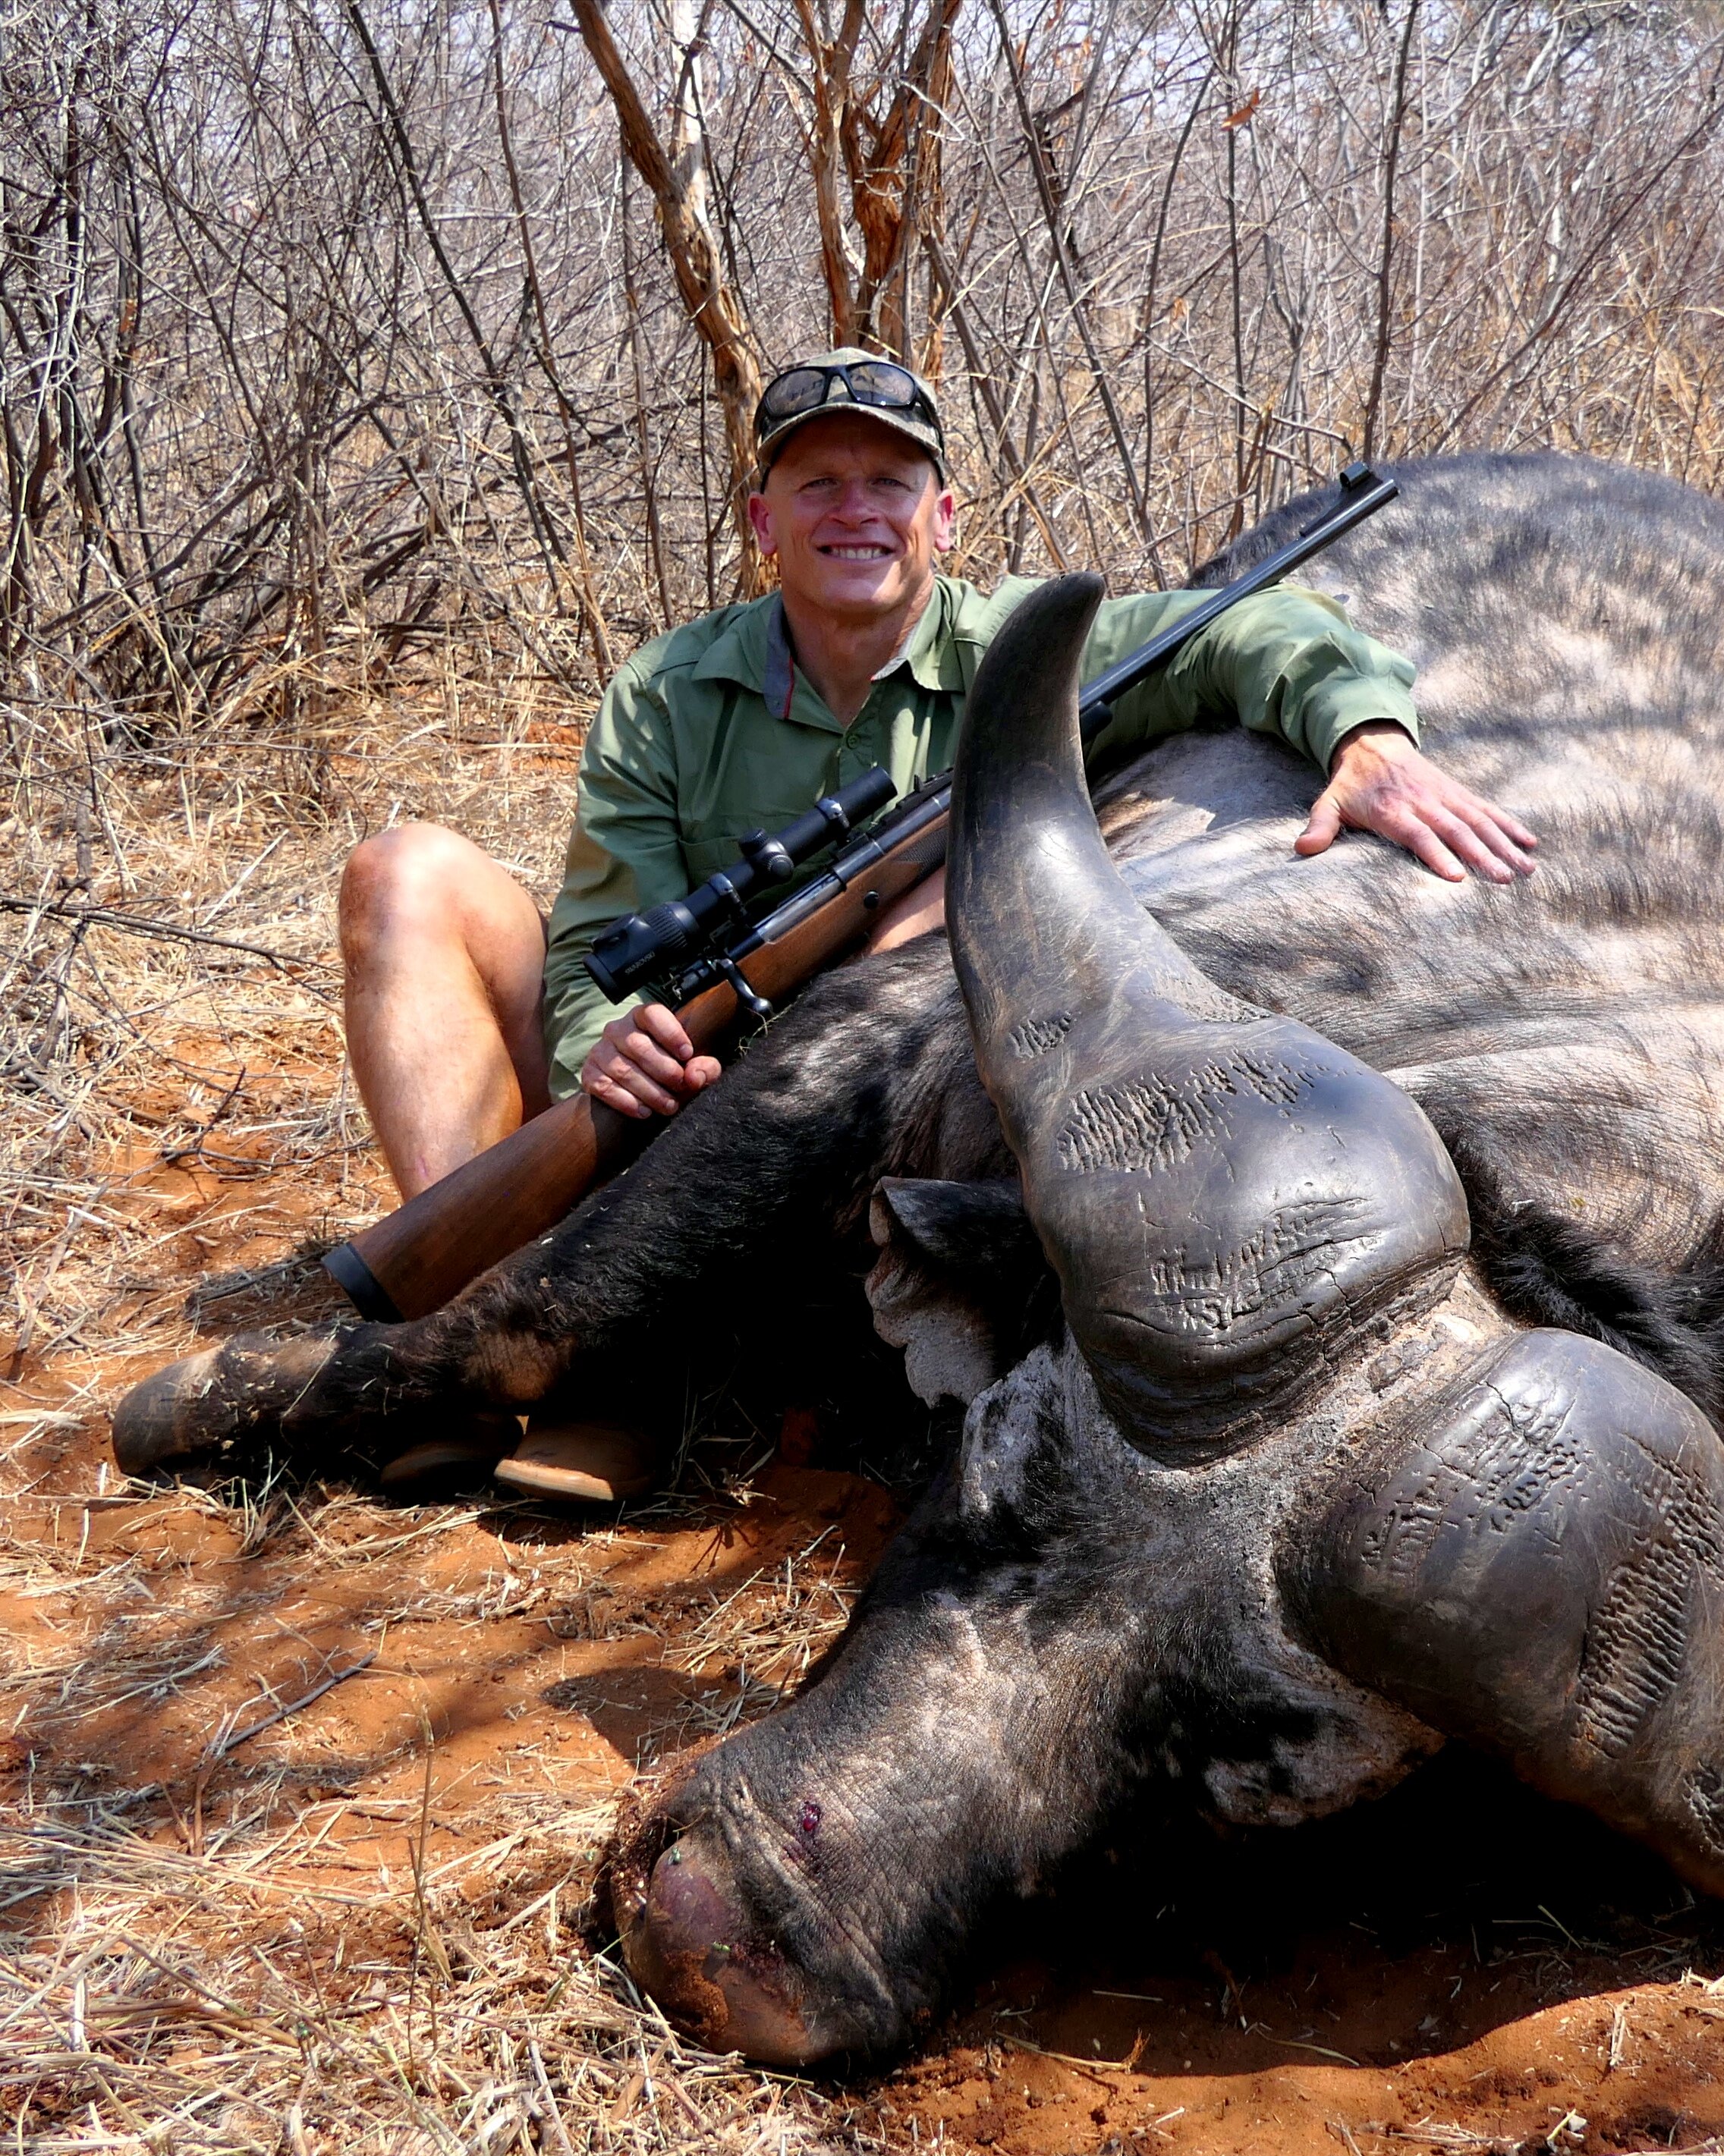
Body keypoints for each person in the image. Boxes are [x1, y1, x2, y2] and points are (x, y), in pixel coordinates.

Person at [338, 353, 1535, 1496]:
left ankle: (626, 1355)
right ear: (765, 523)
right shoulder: (664, 689)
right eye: (818, 482)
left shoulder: (1033, 651)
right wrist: (612, 1040)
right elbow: (607, 939)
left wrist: (1360, 734)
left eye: (889, 482)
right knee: (407, 874)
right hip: (680, 1073)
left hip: (847, 1136)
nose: (855, 510)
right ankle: (470, 1333)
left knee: (932, 916)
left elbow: (1243, 629)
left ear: (944, 514)